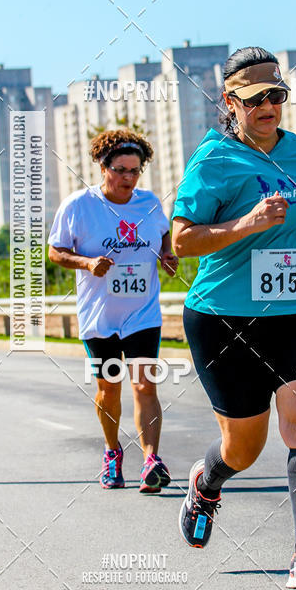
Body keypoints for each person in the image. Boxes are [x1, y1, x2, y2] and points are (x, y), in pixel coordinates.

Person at [172, 47, 296, 590]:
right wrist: (246, 223)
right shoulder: (213, 161)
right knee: (244, 446)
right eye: (256, 97)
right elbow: (182, 239)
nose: (269, 106)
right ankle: (207, 481)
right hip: (227, 317)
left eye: (277, 95)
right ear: (230, 101)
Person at [48, 128, 179, 492]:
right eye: (120, 170)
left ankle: (151, 460)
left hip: (142, 314)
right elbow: (55, 251)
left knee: (145, 385)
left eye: (135, 171)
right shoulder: (79, 206)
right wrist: (87, 263)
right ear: (103, 167)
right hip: (100, 317)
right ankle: (112, 451)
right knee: (109, 388)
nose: (128, 178)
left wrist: (166, 254)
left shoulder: (148, 203)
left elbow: (163, 234)